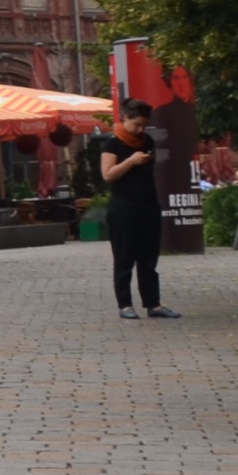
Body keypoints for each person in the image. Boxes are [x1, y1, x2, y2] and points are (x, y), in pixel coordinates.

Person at [101, 101, 175, 319]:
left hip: (148, 206)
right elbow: (108, 175)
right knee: (124, 258)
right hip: (123, 208)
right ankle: (125, 305)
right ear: (126, 118)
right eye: (137, 125)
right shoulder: (112, 144)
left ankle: (153, 303)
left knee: (149, 259)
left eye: (144, 125)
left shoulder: (147, 141)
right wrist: (131, 161)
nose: (141, 130)